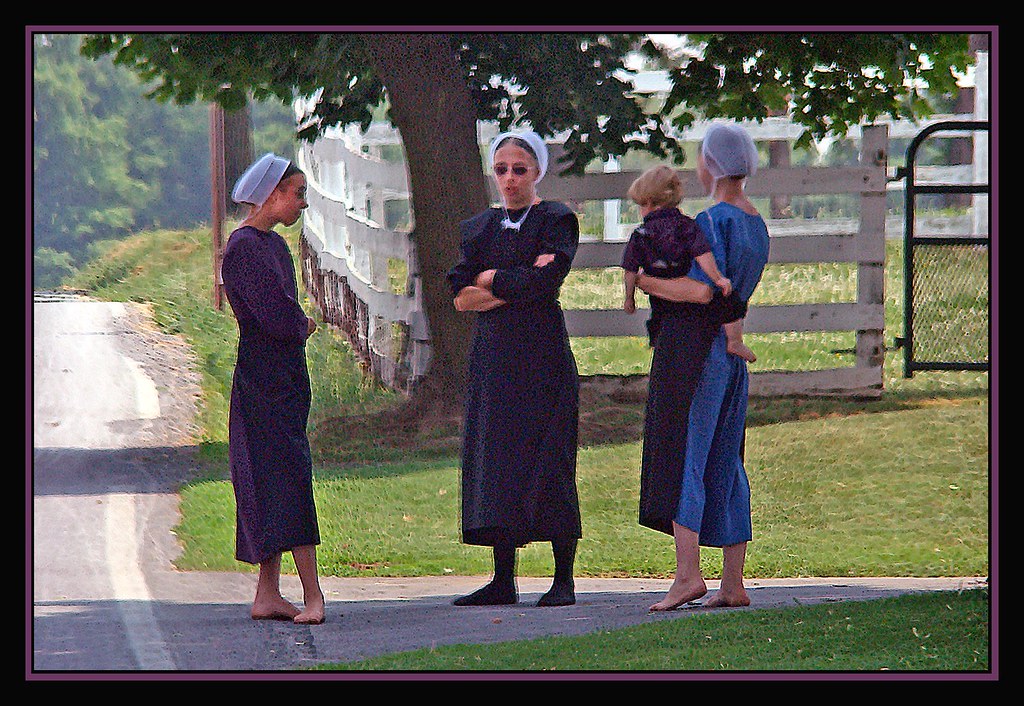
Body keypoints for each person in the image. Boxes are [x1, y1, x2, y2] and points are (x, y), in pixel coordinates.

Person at [635, 123, 770, 612]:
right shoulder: (756, 223)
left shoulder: (710, 222)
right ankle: (732, 583)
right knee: (728, 458)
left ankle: (687, 575)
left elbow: (700, 290)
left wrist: (646, 282)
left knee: (686, 454)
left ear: (710, 164)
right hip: (732, 356)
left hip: (699, 353)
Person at [447, 130, 582, 607]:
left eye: (519, 170)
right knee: (497, 461)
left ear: (537, 171)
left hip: (542, 359)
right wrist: (520, 283)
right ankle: (503, 578)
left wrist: (491, 279)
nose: (509, 179)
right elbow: (461, 298)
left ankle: (562, 580)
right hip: (494, 361)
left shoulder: (556, 220)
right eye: (501, 169)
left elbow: (546, 282)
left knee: (550, 459)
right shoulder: (479, 228)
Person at [220, 152, 325, 625]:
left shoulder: (273, 246)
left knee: (275, 478)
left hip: (281, 375)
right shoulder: (244, 248)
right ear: (273, 194)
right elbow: (276, 315)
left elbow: (283, 310)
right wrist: (301, 324)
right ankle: (313, 595)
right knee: (285, 479)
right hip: (264, 380)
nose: (302, 203)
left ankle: (268, 593)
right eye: (297, 193)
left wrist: (296, 323)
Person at [622, 165, 755, 362]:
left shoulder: (641, 234)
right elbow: (702, 254)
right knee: (731, 303)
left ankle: (659, 343)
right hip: (684, 281)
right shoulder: (686, 226)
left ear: (648, 203)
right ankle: (734, 340)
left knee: (660, 317)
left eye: (641, 206)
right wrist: (718, 278)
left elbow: (630, 269)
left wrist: (629, 297)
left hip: (659, 290)